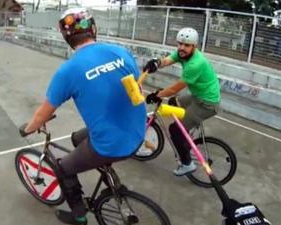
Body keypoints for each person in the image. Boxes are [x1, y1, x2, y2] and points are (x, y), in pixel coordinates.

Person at [19, 8, 146, 225]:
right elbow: (137, 90)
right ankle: (109, 176)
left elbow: (43, 113)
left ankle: (79, 216)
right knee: (78, 138)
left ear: (67, 37)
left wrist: (28, 128)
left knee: (62, 168)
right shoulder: (120, 52)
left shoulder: (68, 71)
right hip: (138, 132)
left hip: (111, 145)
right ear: (93, 29)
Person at [143, 27, 221, 176]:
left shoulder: (195, 64)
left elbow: (174, 89)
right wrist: (156, 63)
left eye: (186, 45)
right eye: (179, 44)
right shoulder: (183, 54)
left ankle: (187, 164)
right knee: (173, 102)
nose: (181, 48)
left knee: (174, 130)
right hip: (199, 96)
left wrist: (157, 94)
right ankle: (187, 131)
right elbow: (168, 60)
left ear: (194, 46)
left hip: (207, 104)